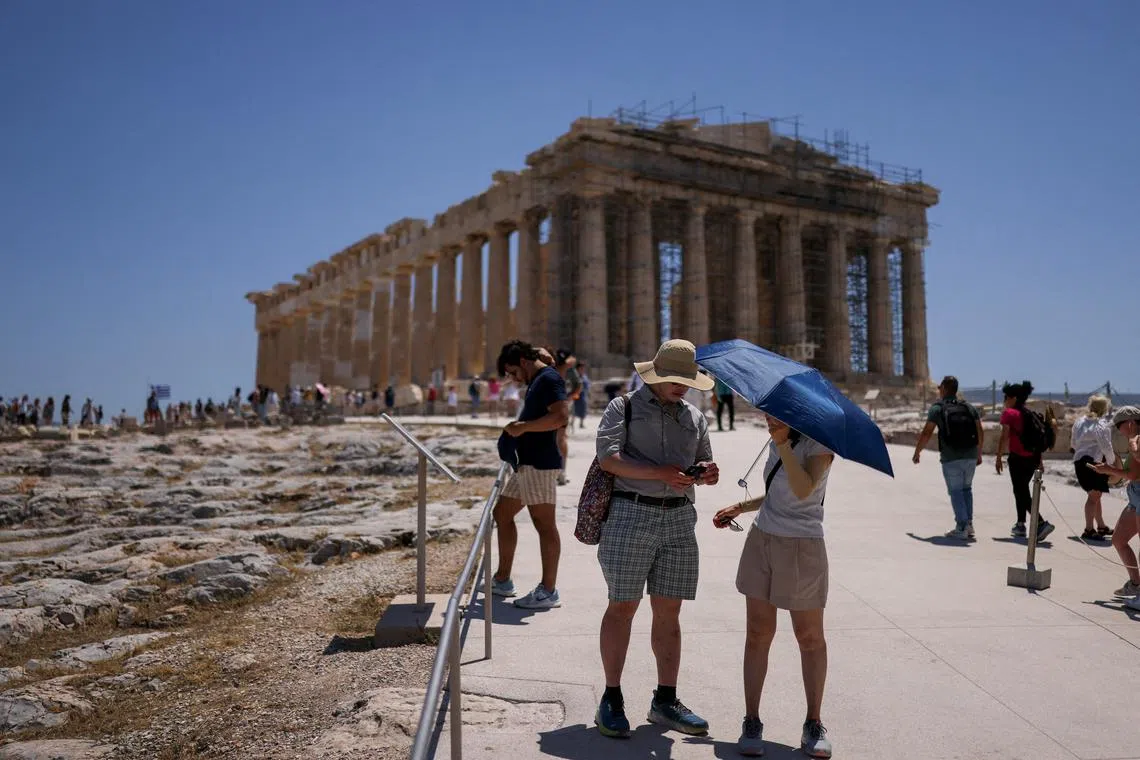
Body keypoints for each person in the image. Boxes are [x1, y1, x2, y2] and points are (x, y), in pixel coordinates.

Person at [593, 339, 719, 740]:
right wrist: (660, 472)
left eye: (688, 380)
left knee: (669, 613)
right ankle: (611, 698)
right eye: (676, 379)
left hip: (680, 520)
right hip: (631, 513)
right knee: (622, 607)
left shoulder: (695, 418)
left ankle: (665, 700)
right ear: (656, 375)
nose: (684, 386)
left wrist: (706, 472)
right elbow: (608, 459)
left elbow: (702, 460)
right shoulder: (623, 407)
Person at [713, 414, 836, 758]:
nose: (768, 418)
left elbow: (802, 489)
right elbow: (777, 494)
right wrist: (741, 506)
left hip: (803, 544)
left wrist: (781, 441)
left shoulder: (819, 443)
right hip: (762, 539)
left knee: (809, 638)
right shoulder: (779, 437)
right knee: (757, 633)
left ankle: (813, 723)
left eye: (774, 414)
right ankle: (751, 719)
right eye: (767, 412)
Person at [492, 340, 570, 610]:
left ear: (523, 363)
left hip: (539, 465)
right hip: (525, 464)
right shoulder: (539, 377)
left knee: (544, 525)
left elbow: (560, 417)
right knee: (501, 514)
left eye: (513, 372)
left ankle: (548, 590)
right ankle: (502, 579)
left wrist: (522, 427)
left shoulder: (549, 379)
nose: (513, 379)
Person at [912, 376, 984, 539]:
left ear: (943, 389)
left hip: (951, 456)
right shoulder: (969, 407)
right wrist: (978, 453)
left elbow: (927, 432)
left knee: (956, 491)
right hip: (970, 455)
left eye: (940, 388)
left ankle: (961, 526)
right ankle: (969, 524)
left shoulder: (937, 408)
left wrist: (918, 452)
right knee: (967, 489)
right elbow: (980, 430)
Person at [1089, 406, 1140, 607]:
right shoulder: (1134, 440)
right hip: (1135, 497)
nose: (1119, 431)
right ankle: (1136, 583)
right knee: (1118, 539)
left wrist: (1109, 470)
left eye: (1120, 426)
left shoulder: (1136, 440)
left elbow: (1134, 474)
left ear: (1130, 423)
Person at [995, 381, 1055, 542]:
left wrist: (998, 456)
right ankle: (1020, 524)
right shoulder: (1030, 414)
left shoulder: (1010, 413)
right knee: (1021, 490)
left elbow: (1004, 436)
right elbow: (1036, 440)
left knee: (1021, 491)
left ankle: (1041, 523)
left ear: (1014, 398)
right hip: (1033, 458)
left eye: (1006, 397)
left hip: (1017, 458)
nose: (1004, 400)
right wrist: (1040, 461)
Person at [1071, 394, 1119, 540]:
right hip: (1094, 462)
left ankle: (1101, 526)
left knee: (1095, 495)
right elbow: (1106, 447)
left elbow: (1073, 443)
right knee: (1094, 496)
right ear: (1104, 408)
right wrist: (1111, 465)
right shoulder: (1101, 424)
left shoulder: (1079, 422)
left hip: (1079, 461)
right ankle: (1088, 529)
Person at [573, 361, 590, 430]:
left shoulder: (584, 376)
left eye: (583, 368)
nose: (582, 369)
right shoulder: (575, 375)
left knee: (583, 408)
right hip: (574, 394)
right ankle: (571, 422)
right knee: (573, 409)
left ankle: (581, 423)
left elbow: (587, 385)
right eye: (581, 368)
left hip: (583, 395)